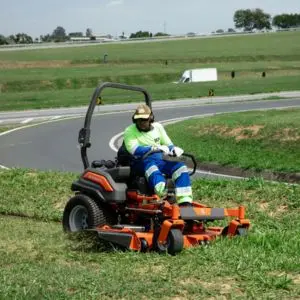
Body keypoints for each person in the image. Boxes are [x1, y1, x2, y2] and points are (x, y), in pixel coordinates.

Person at [123, 103, 193, 206]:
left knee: (180, 167)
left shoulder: (158, 127)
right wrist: (154, 148)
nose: (141, 122)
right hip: (141, 161)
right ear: (135, 119)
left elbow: (168, 144)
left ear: (151, 118)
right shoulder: (130, 130)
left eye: (144, 119)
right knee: (152, 167)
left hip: (160, 158)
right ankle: (163, 194)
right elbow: (134, 149)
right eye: (139, 119)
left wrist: (173, 149)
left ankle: (185, 202)